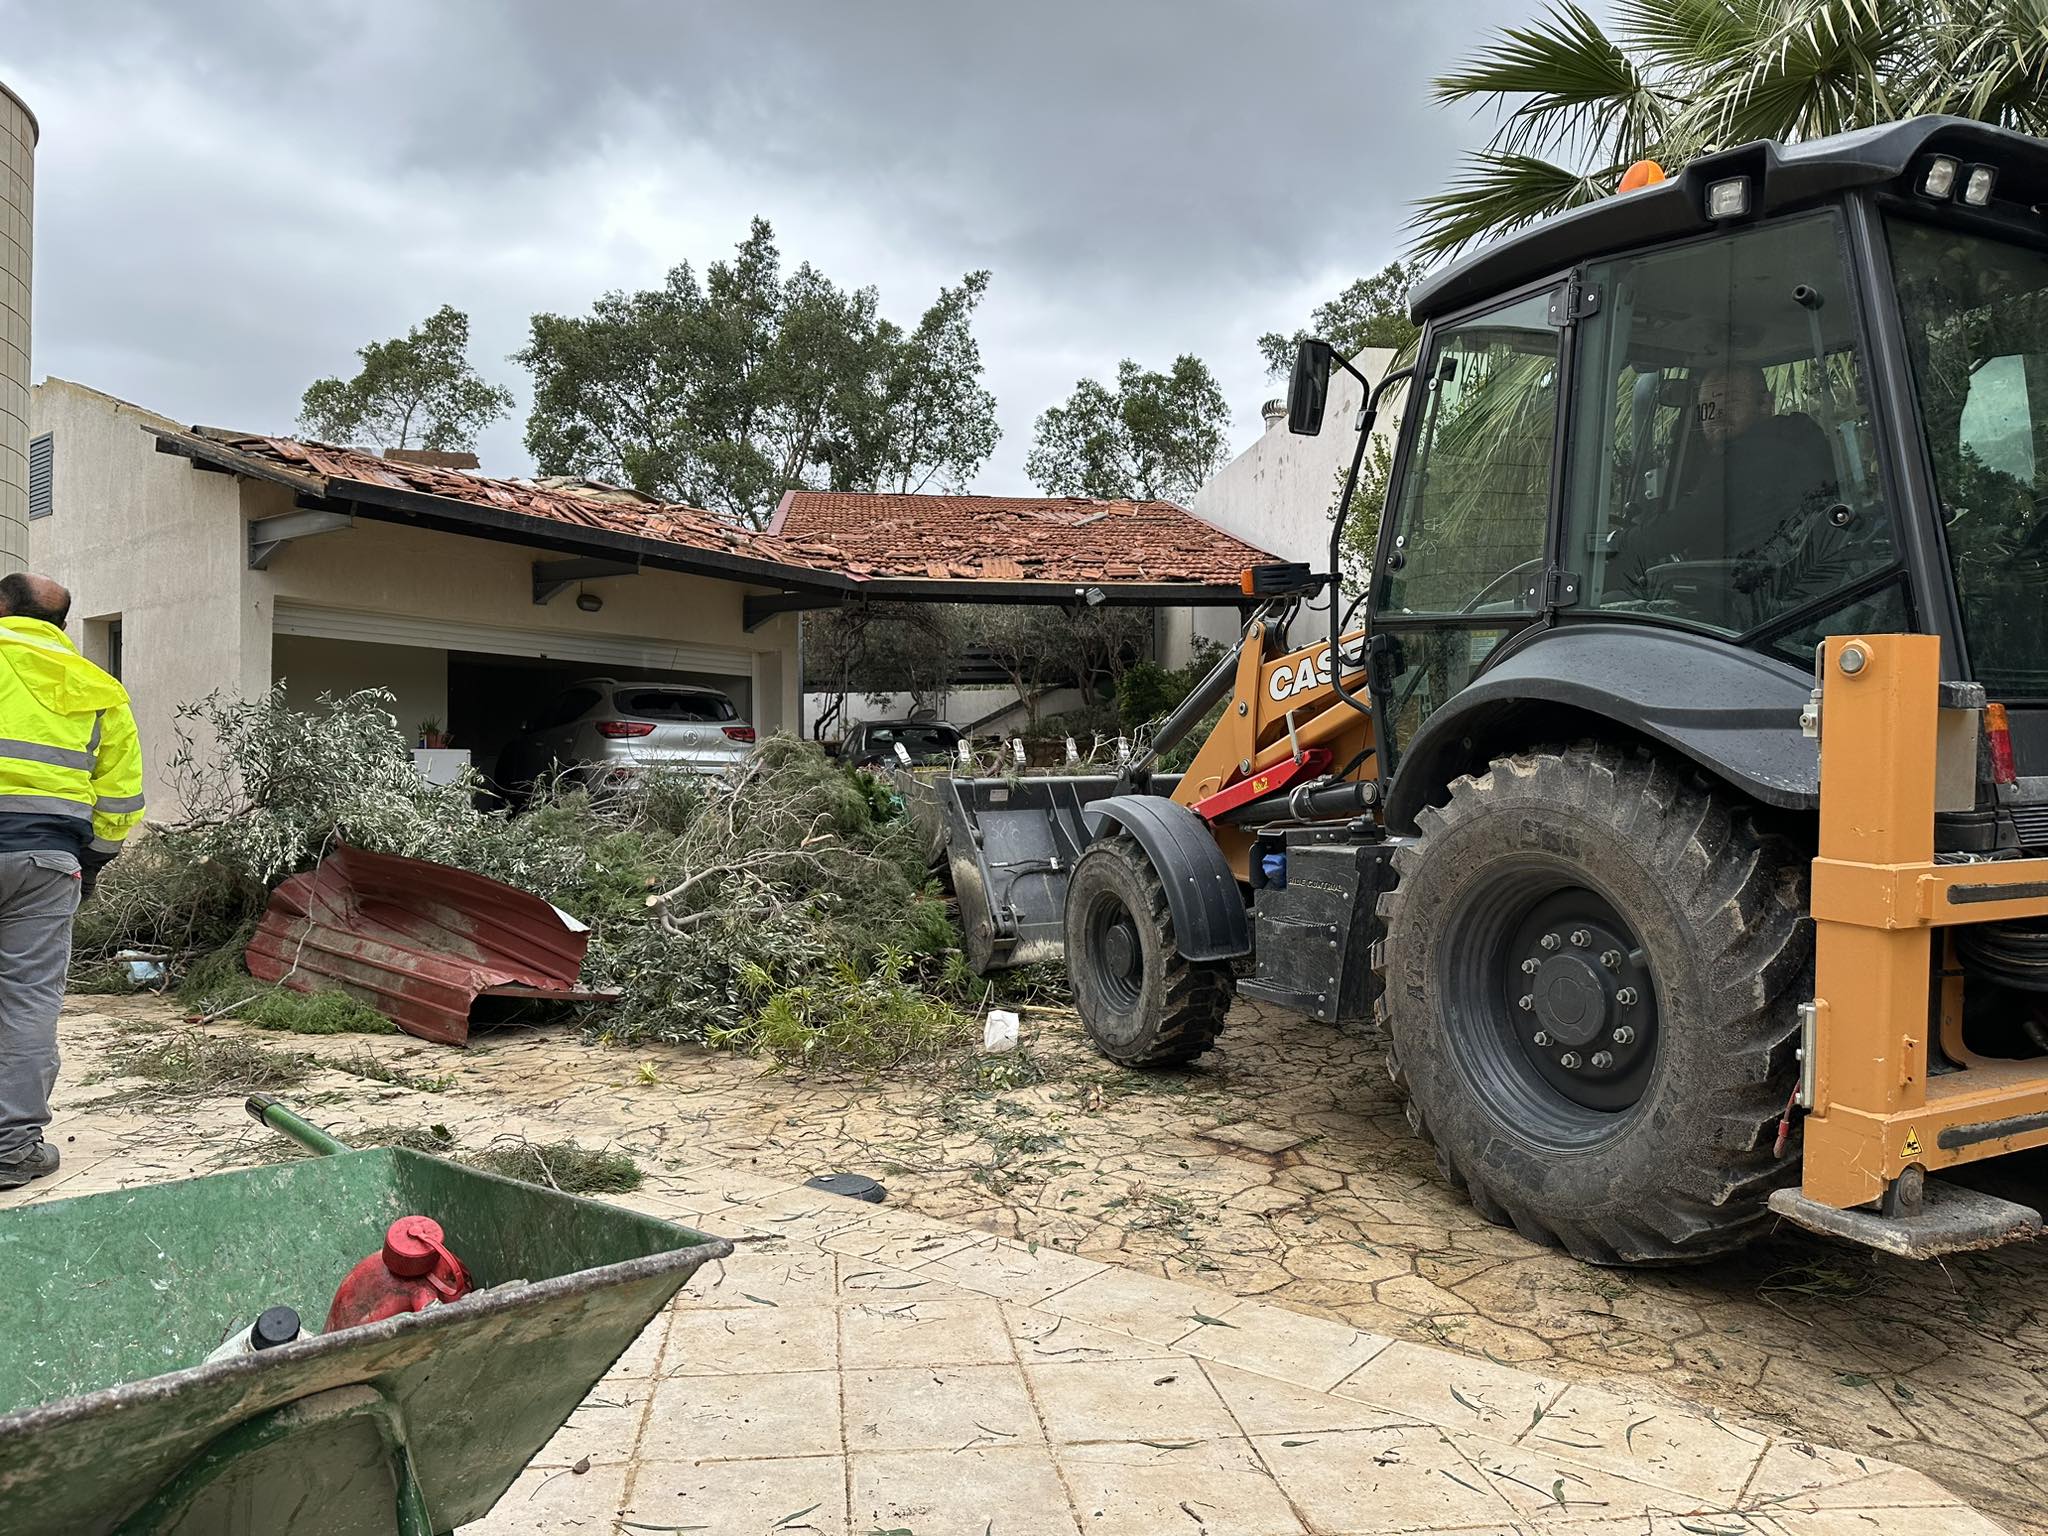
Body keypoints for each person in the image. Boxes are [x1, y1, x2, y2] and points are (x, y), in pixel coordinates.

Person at [0, 574, 143, 1190]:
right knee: (28, 1001)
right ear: (61, 624)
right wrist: (92, 865)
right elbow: (121, 799)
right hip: (48, 861)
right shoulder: (100, 689)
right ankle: (11, 1149)